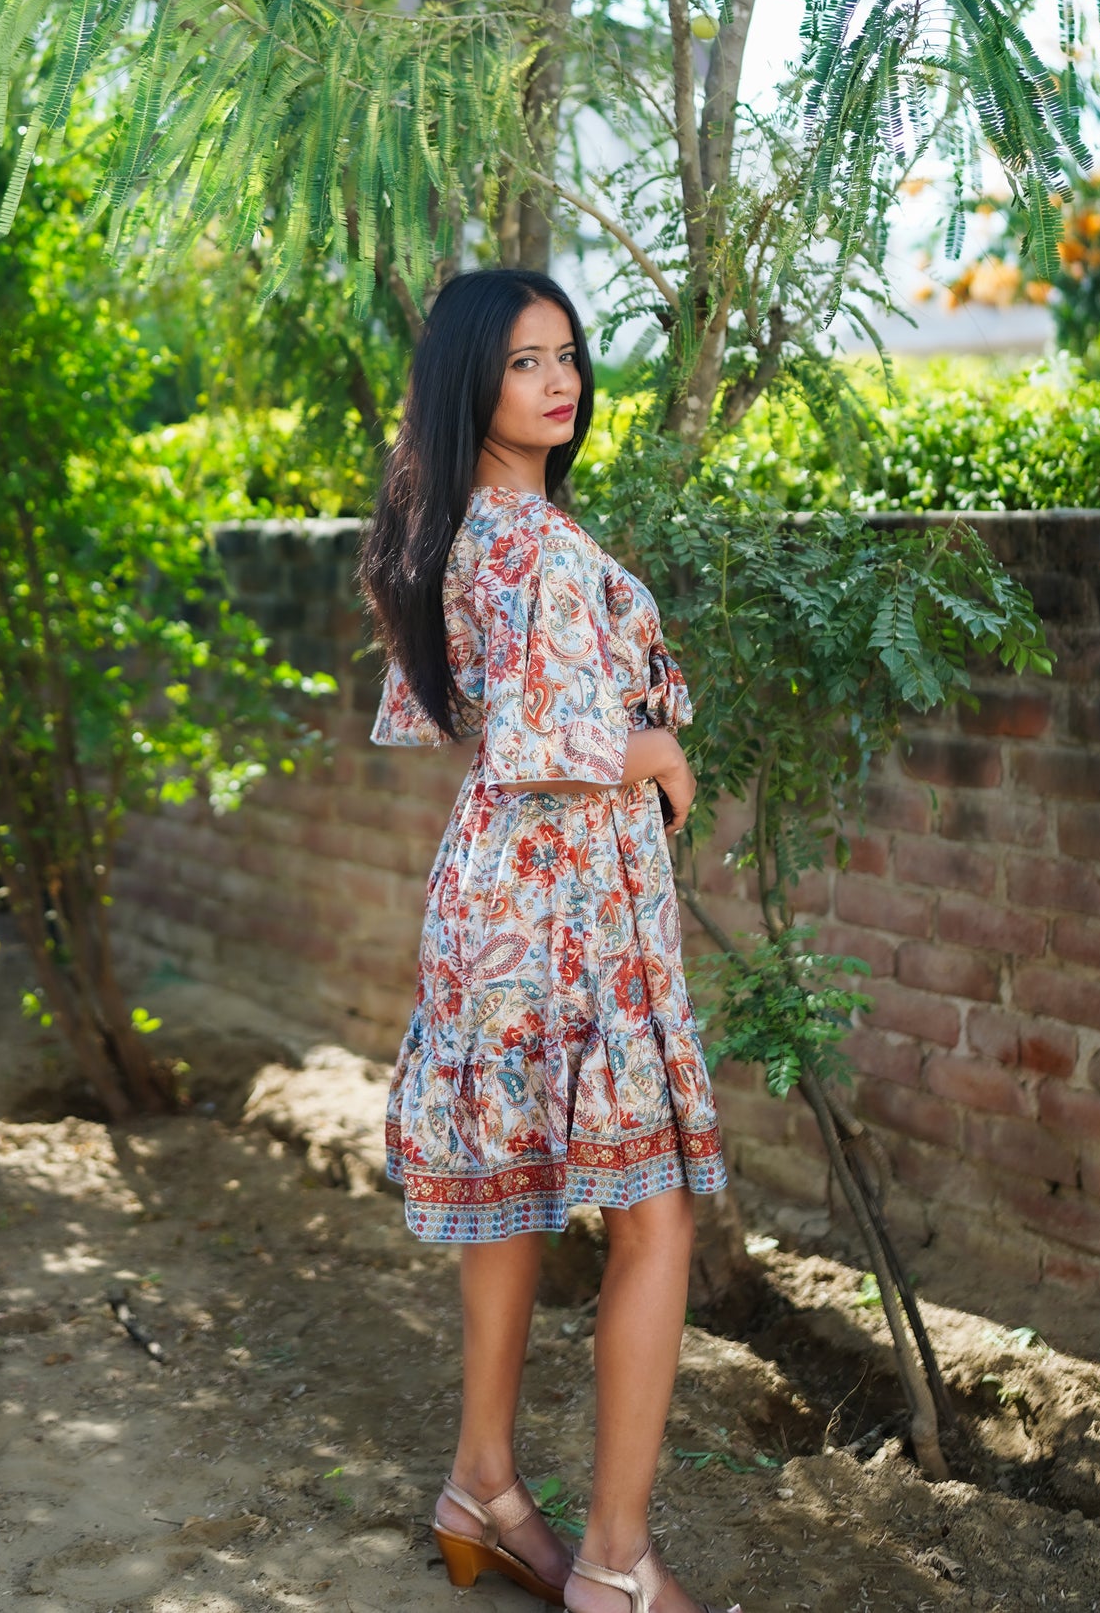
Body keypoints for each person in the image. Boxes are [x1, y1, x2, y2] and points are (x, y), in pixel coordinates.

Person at [360, 268, 739, 1613]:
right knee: (654, 1211)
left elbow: (448, 713)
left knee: (519, 1194)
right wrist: (643, 742)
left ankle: (484, 1487)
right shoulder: (512, 536)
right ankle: (618, 1564)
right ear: (473, 380)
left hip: (512, 897)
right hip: (560, 901)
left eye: (566, 355)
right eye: (525, 361)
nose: (559, 379)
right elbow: (522, 734)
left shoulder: (474, 524)